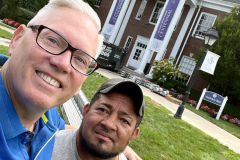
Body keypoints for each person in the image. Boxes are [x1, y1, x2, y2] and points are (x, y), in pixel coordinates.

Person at [0, 0, 141, 159]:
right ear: (17, 39)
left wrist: (121, 147)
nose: (63, 64)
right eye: (53, 40)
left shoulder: (46, 117)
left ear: (79, 85)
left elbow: (59, 127)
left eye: (81, 60)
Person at [52, 78, 145, 160]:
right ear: (85, 111)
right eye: (103, 110)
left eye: (124, 121)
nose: (109, 124)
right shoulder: (44, 148)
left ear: (133, 134)